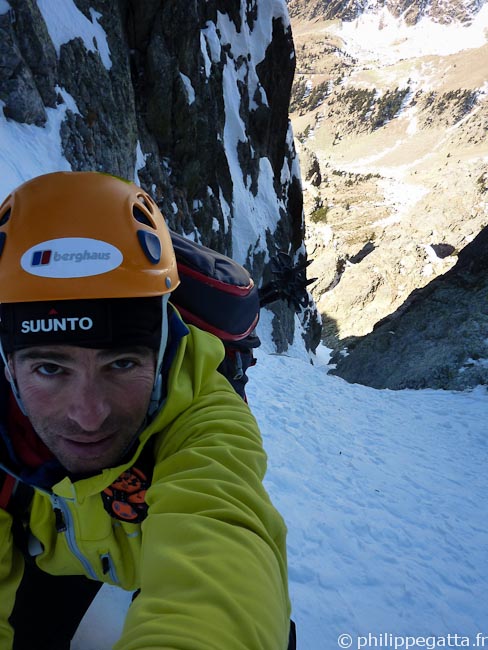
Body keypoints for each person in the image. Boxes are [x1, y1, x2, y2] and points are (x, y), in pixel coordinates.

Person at [0, 171, 292, 649]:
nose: (88, 414)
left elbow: (220, 553)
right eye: (50, 369)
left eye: (121, 363)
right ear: (8, 365)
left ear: (161, 354)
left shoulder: (202, 414)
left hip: (144, 577)